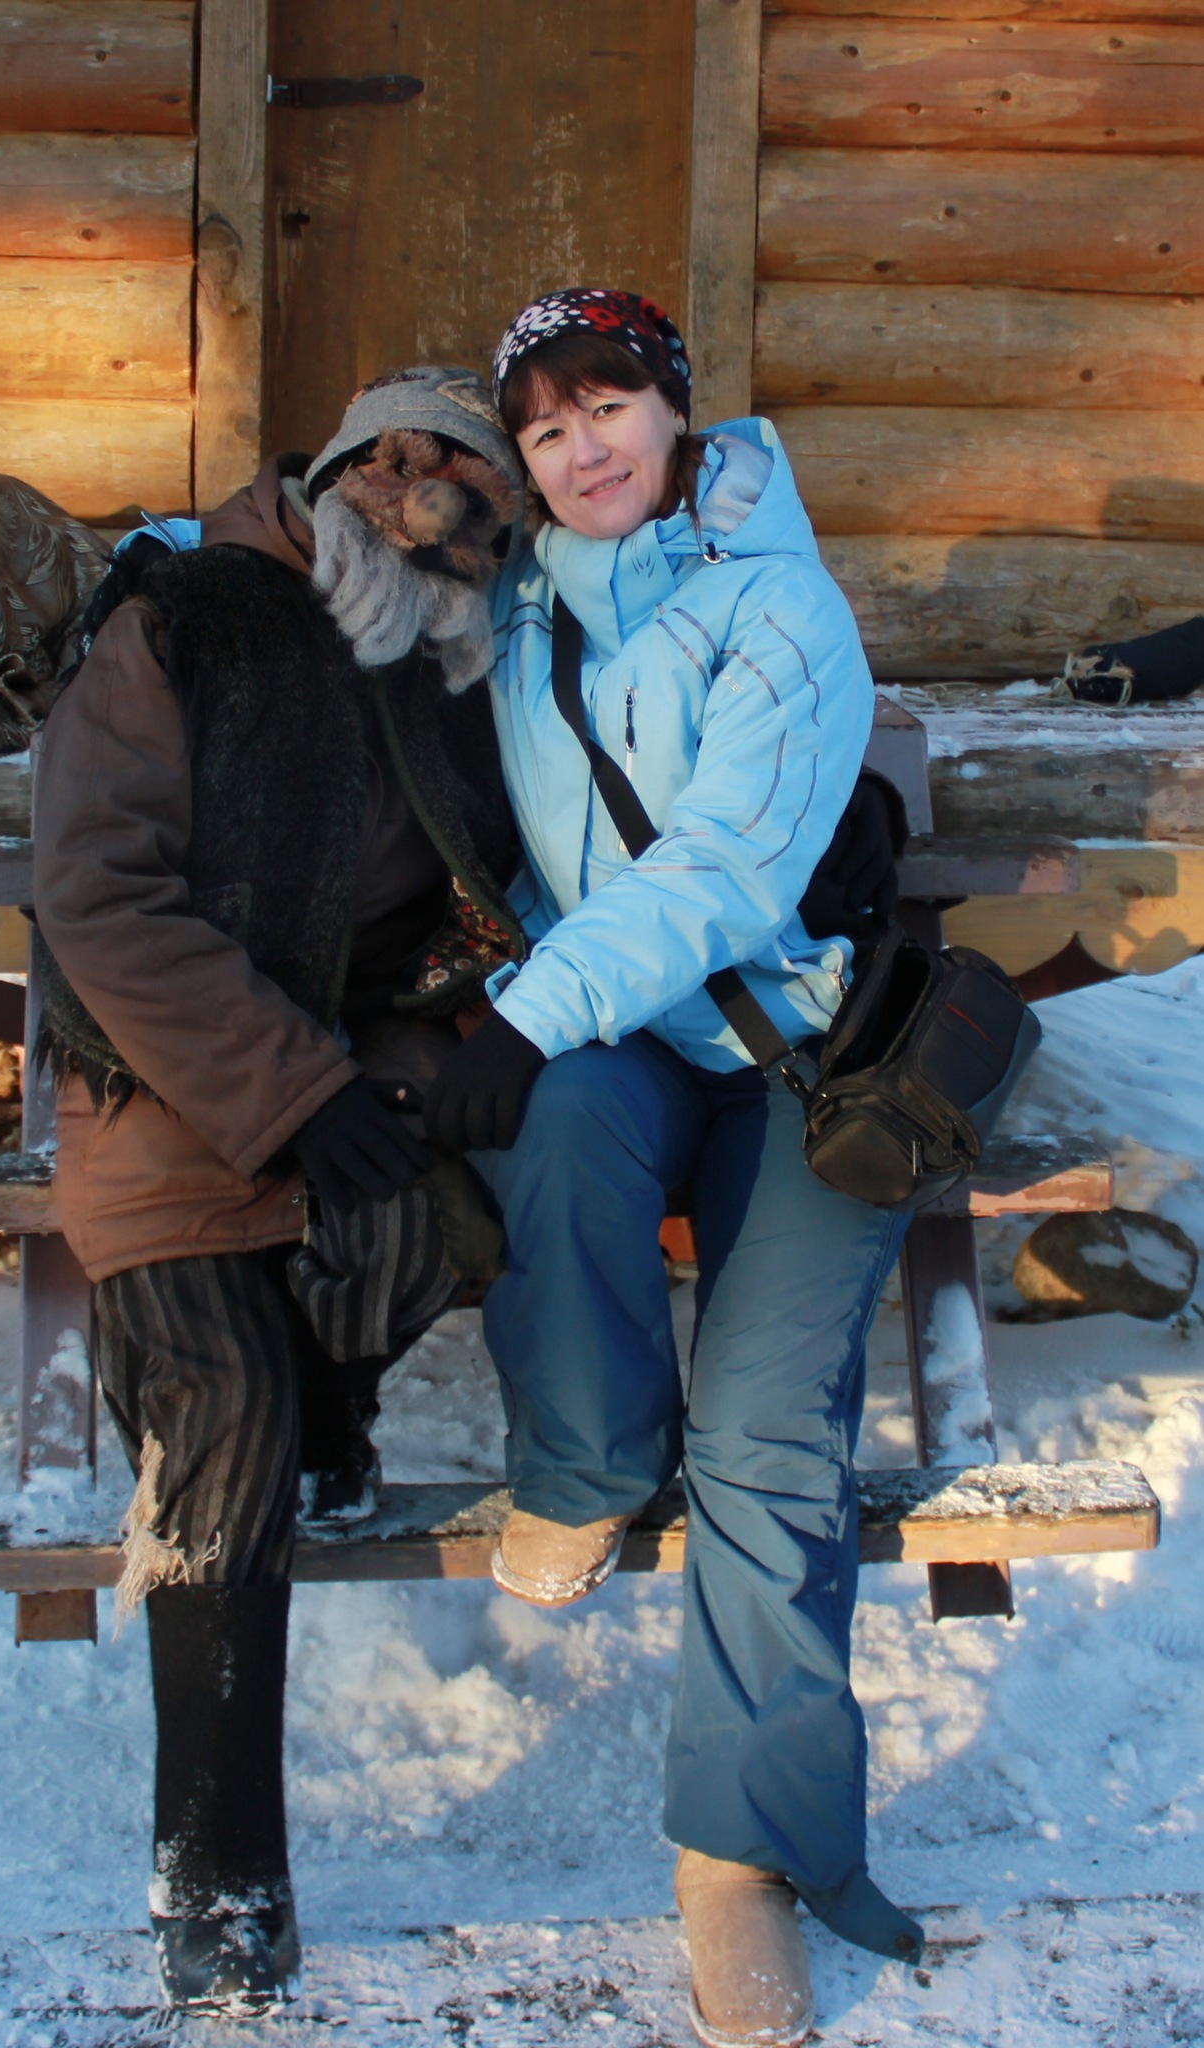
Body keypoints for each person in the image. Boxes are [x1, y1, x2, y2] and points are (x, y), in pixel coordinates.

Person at [422, 290, 922, 2048]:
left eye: (611, 405)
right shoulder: (511, 598)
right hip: (624, 1041)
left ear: (677, 410)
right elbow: (330, 547)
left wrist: (525, 1012)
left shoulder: (779, 603)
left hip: (795, 1055)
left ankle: (745, 1857)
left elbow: (723, 868)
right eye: (545, 427)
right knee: (555, 1129)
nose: (584, 450)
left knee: (769, 1431)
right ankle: (583, 1460)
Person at [31, 366, 528, 2015]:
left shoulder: (448, 663)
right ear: (343, 472)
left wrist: (416, 1047)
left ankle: (332, 1412)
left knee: (416, 1236)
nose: (427, 515)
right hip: (167, 1083)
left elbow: (499, 881)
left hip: (343, 1068)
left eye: (472, 504)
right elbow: (99, 894)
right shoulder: (184, 620)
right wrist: (294, 1088)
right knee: (222, 1402)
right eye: (402, 472)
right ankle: (216, 1870)